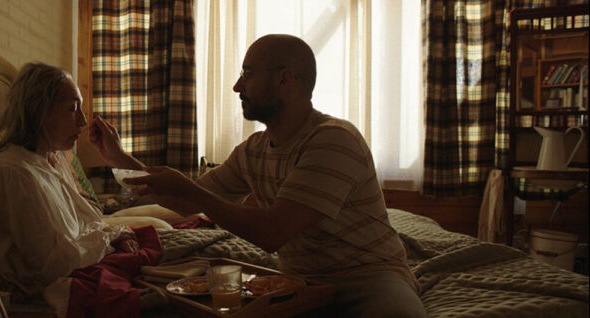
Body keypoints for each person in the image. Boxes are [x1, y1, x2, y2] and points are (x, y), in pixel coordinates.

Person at [98, 34, 427, 317]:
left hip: (367, 276)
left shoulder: (333, 140)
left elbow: (272, 233)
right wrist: (120, 159)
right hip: (298, 281)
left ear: (284, 80)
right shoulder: (252, 150)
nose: (237, 85)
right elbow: (183, 201)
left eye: (248, 73)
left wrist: (194, 194)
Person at [0, 63, 143, 297]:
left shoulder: (50, 158)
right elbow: (53, 266)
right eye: (72, 108)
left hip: (86, 264)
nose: (83, 121)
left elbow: (86, 220)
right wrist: (112, 236)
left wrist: (115, 235)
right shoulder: (14, 172)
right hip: (60, 286)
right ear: (38, 110)